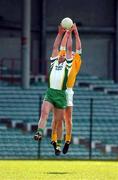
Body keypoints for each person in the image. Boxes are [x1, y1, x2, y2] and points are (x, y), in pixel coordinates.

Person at [34, 25, 73, 143]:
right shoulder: (53, 62)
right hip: (51, 92)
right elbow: (55, 46)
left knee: (58, 121)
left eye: (63, 54)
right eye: (60, 54)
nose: (61, 55)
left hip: (61, 95)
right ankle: (39, 132)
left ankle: (58, 143)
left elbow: (70, 48)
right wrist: (60, 33)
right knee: (44, 113)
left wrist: (69, 34)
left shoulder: (68, 65)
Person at [51, 23, 82, 155]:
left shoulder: (76, 59)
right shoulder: (63, 57)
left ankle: (67, 140)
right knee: (57, 119)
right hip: (58, 89)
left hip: (68, 90)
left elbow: (77, 48)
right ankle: (55, 141)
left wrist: (75, 33)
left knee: (68, 119)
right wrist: (65, 33)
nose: (72, 52)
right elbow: (63, 47)